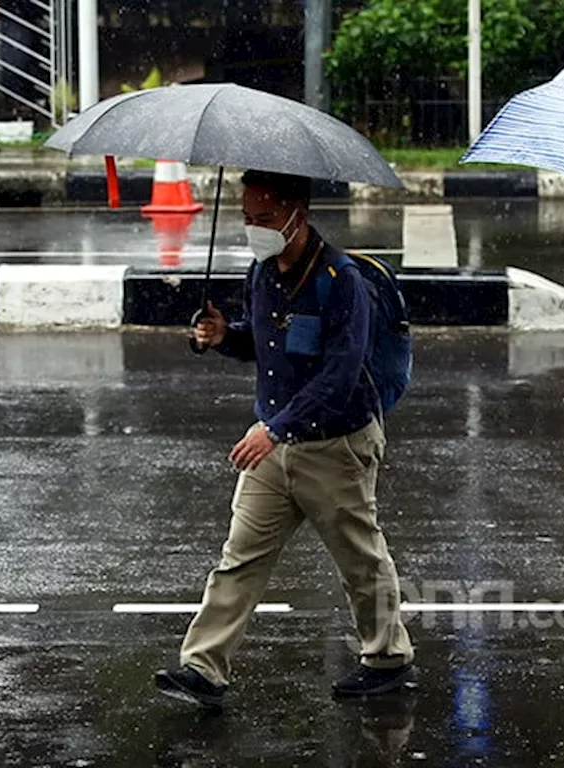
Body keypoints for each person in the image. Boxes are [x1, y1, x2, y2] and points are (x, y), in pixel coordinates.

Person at [155, 170, 415, 709]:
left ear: (298, 213)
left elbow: (340, 375)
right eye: (248, 217)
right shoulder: (263, 271)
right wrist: (224, 336)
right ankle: (203, 668)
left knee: (359, 559)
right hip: (274, 444)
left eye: (265, 218)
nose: (254, 228)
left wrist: (275, 429)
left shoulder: (341, 281)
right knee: (240, 559)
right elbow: (266, 345)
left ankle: (387, 658)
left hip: (335, 445)